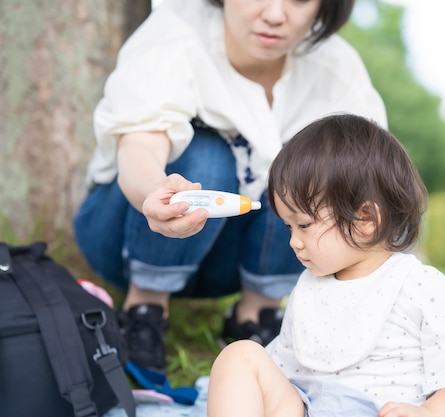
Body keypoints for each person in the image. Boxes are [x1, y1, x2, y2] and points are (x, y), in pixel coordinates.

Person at [72, 0, 386, 371]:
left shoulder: (336, 67)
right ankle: (145, 310)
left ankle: (256, 317)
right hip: (127, 231)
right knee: (207, 156)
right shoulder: (175, 33)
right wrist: (154, 192)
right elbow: (140, 145)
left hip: (232, 259)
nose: (274, 14)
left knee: (304, 167)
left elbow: (367, 181)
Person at [206, 113, 445, 417]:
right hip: (306, 405)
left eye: (304, 225)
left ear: (365, 220)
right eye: (288, 227)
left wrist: (428, 412)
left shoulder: (418, 284)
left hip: (377, 410)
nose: (294, 241)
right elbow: (283, 369)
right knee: (239, 354)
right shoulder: (309, 285)